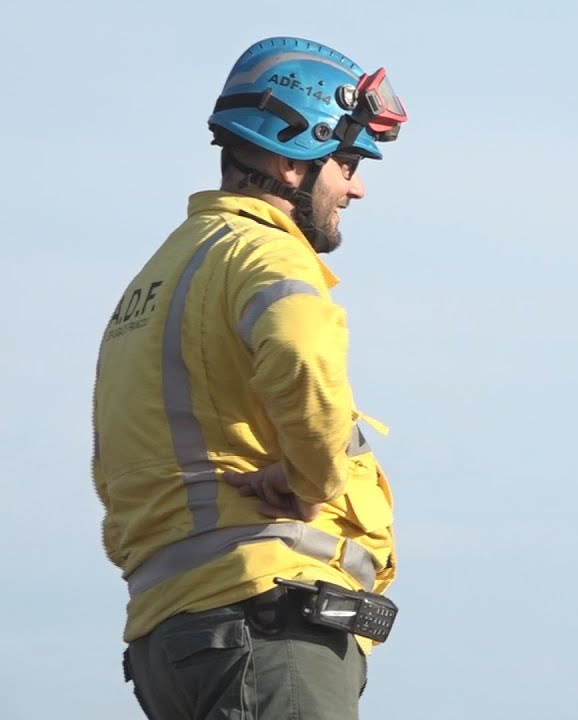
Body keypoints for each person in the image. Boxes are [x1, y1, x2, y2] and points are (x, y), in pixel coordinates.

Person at [92, 36, 408, 719]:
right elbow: (299, 350)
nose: (356, 186)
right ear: (290, 161)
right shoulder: (267, 254)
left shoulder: (160, 275)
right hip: (265, 628)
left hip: (178, 637)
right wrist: (309, 482)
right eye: (347, 161)